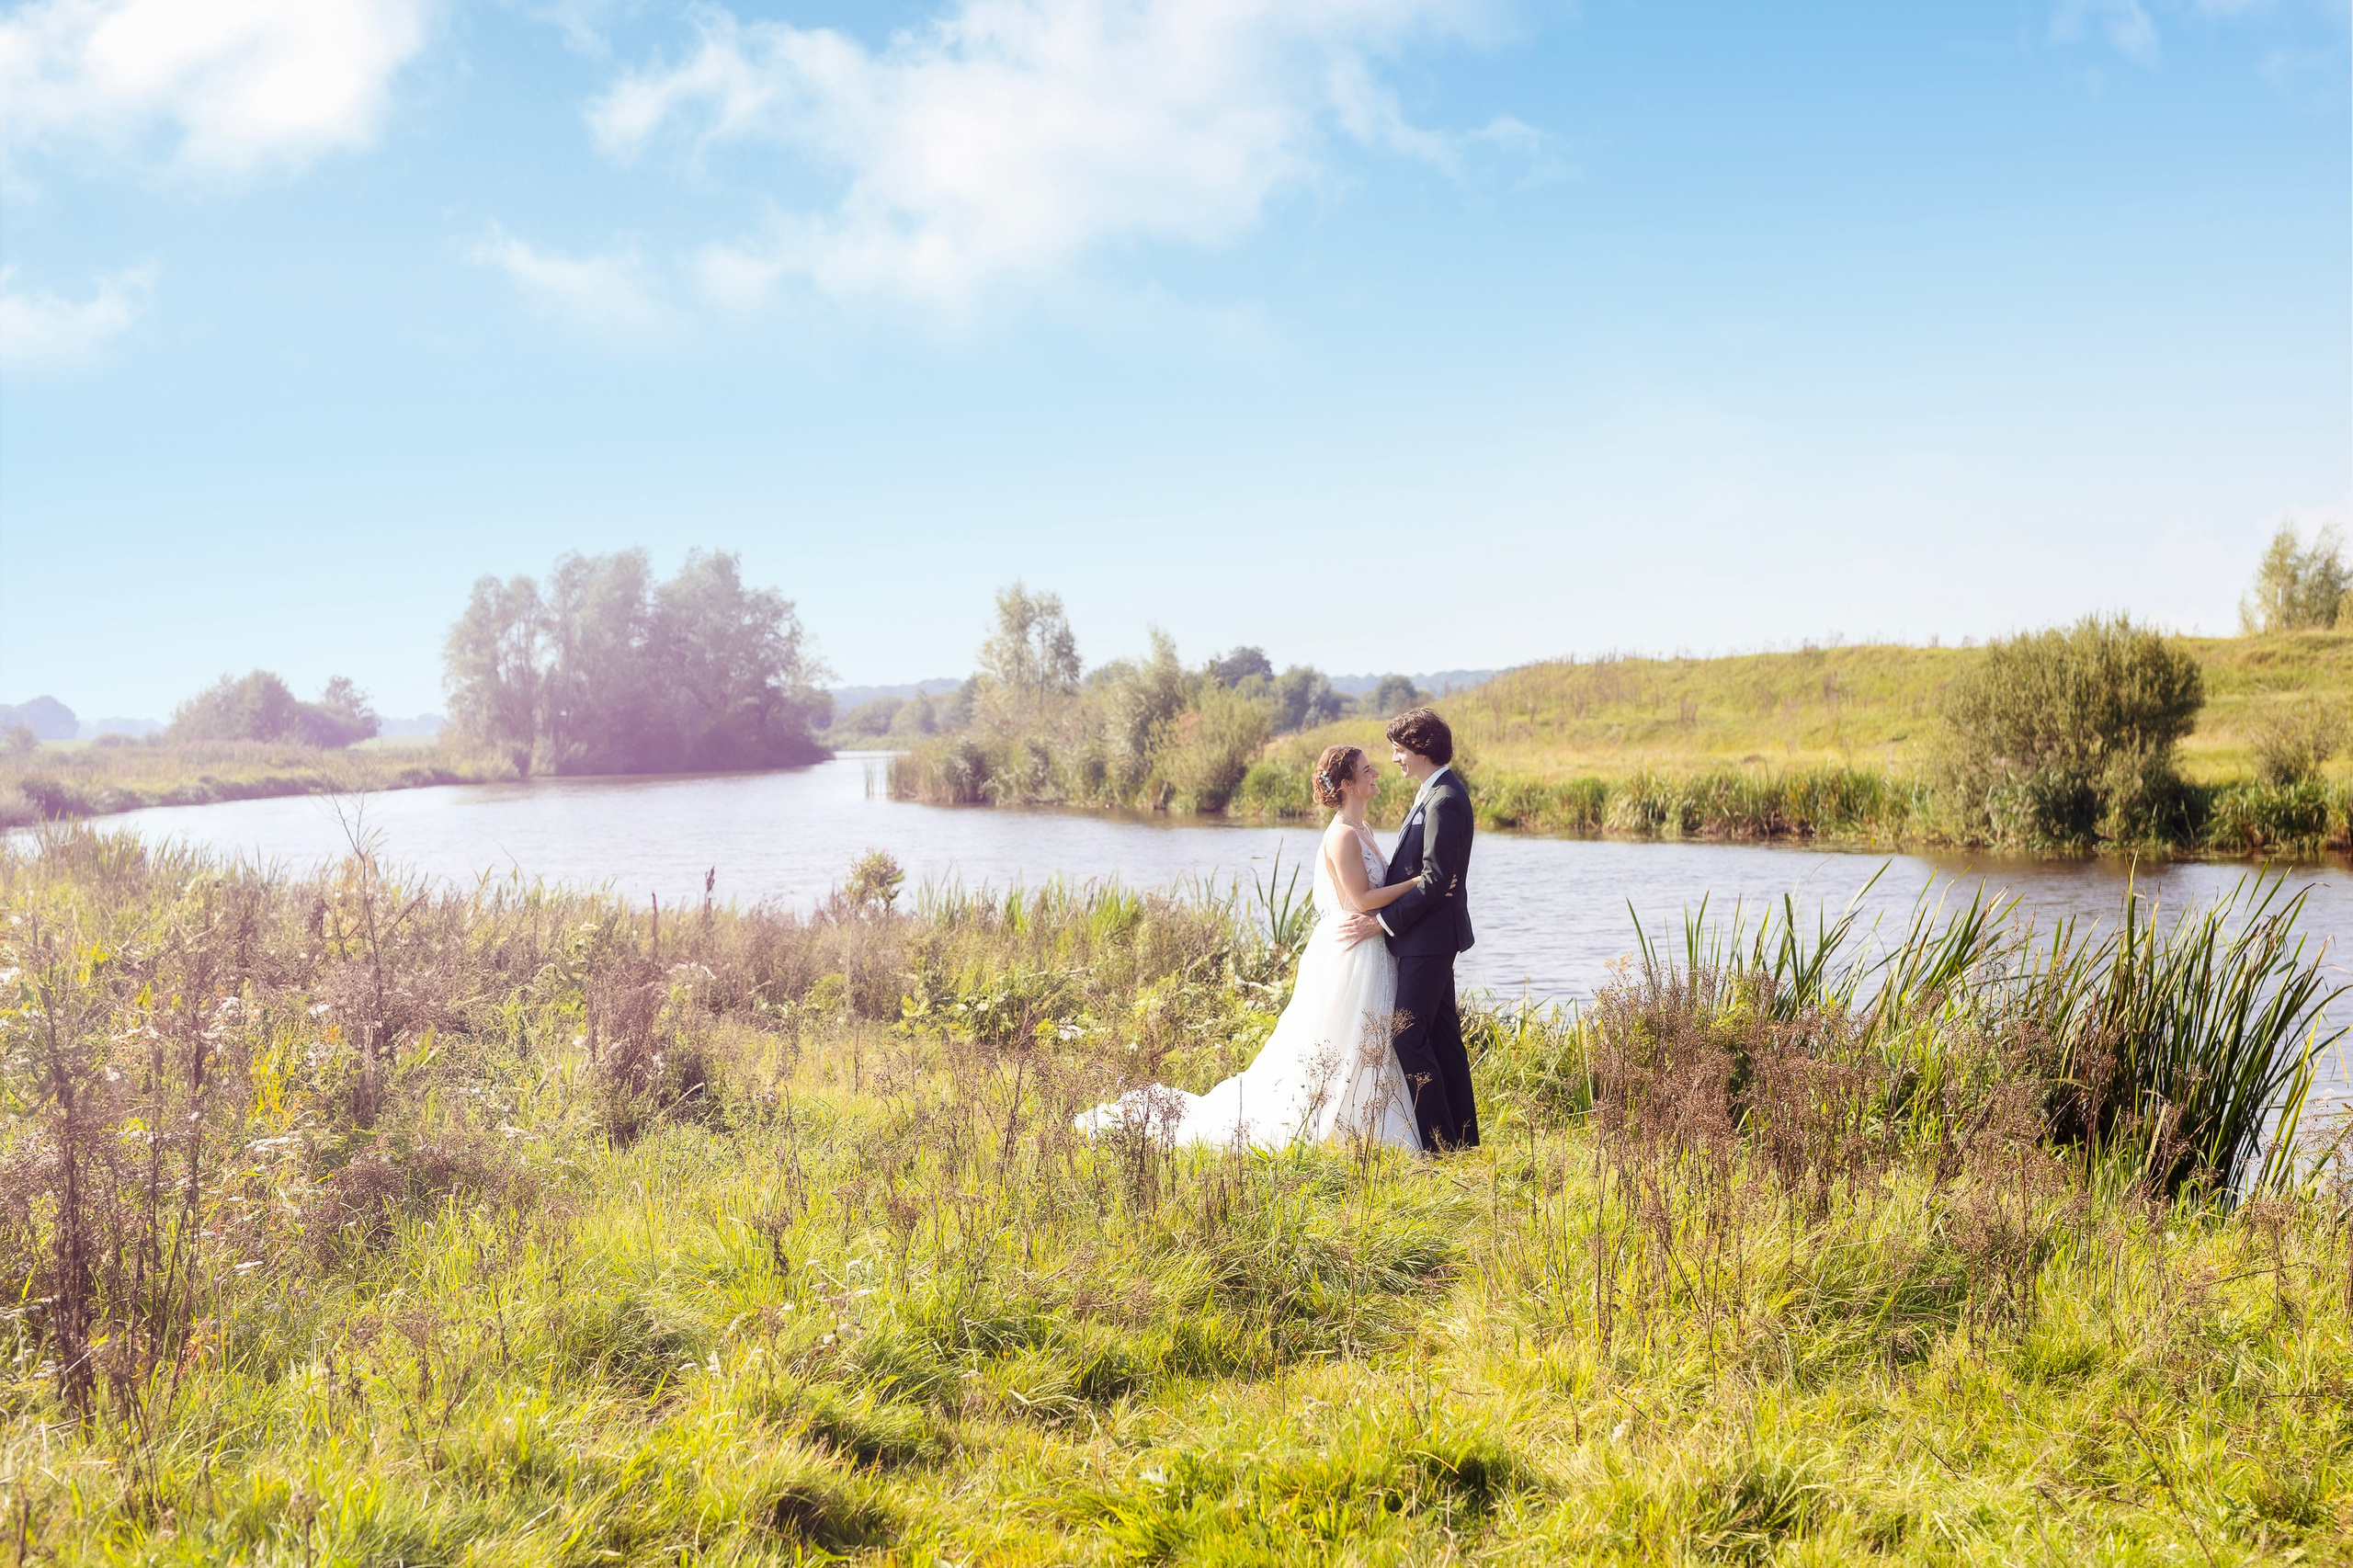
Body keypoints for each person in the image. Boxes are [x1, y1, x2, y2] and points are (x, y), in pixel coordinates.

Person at [1075, 742, 1422, 1151]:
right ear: (1347, 783)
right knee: (1345, 1038)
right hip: (1352, 951)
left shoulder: (1362, 829)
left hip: (1369, 944)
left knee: (1366, 1038)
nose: (1376, 774)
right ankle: (1339, 1126)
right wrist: (1418, 884)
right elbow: (1362, 900)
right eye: (1367, 770)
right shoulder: (1343, 836)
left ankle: (1369, 1123)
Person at [1336, 707, 1477, 1151]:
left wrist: (1381, 921)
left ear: (1421, 748)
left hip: (1430, 939)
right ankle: (1463, 1141)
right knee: (1441, 1036)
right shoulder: (1431, 793)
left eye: (1398, 750)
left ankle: (1439, 1143)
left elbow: (1437, 880)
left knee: (1406, 1036)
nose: (1394, 758)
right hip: (1427, 937)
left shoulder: (1446, 799)